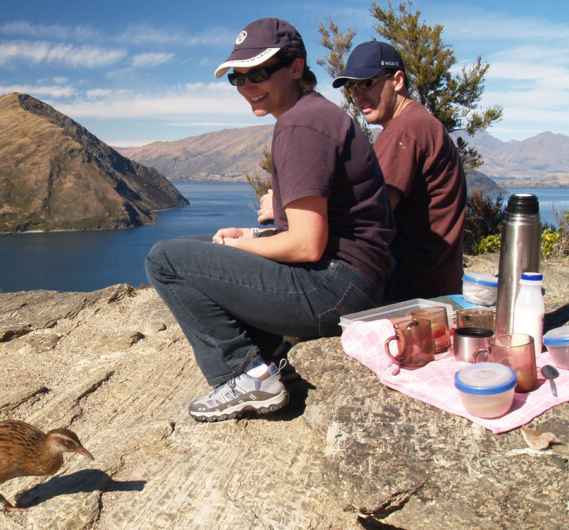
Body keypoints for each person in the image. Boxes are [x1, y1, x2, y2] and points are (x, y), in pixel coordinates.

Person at [145, 18, 395, 422]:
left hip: (335, 289)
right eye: (237, 79)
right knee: (197, 249)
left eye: (258, 73)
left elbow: (306, 244)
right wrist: (254, 234)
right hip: (352, 282)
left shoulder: (301, 124)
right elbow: (319, 226)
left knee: (165, 260)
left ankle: (246, 374)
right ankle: (272, 362)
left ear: (296, 67)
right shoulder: (312, 115)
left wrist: (241, 246)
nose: (247, 87)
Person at [333, 41, 466, 300]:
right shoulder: (418, 121)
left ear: (397, 80)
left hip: (414, 288)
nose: (358, 95)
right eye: (352, 87)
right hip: (435, 280)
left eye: (366, 83)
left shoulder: (403, 130)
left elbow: (368, 215)